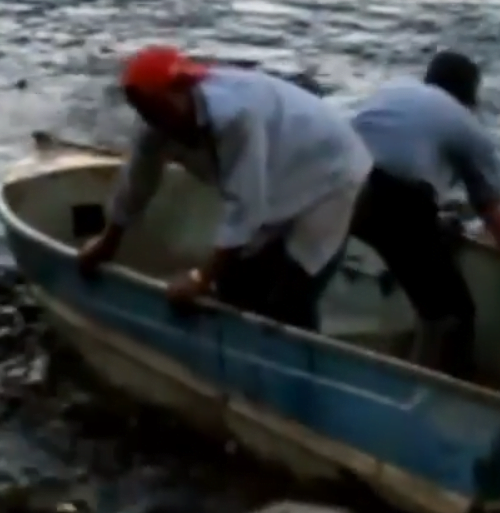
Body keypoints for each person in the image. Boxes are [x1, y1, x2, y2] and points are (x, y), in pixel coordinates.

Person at [77, 45, 373, 332]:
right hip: (279, 174)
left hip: (332, 176)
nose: (154, 120)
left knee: (292, 295)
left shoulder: (234, 117)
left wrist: (200, 279)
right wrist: (107, 244)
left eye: (158, 109)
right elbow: (137, 182)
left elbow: (244, 205)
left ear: (183, 89)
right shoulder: (155, 125)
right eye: (143, 112)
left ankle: (301, 371)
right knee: (235, 282)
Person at [348, 50, 500, 378]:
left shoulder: (396, 89)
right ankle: (440, 396)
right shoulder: (467, 126)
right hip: (390, 197)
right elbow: (495, 215)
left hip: (335, 179)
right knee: (454, 313)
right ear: (472, 96)